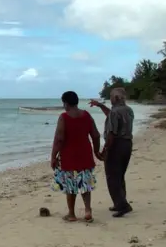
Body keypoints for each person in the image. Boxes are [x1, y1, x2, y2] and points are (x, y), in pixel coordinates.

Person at [50, 91, 103, 222]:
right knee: (85, 184)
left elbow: (59, 139)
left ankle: (71, 214)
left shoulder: (64, 117)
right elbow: (95, 135)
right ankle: (87, 210)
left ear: (66, 103)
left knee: (70, 186)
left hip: (69, 156)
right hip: (85, 154)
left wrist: (53, 156)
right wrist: (96, 151)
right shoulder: (86, 115)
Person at [89, 88, 135, 217]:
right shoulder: (128, 110)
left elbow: (111, 134)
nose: (110, 99)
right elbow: (111, 116)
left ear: (116, 98)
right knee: (119, 175)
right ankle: (120, 202)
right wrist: (100, 106)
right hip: (127, 144)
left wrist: (104, 151)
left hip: (116, 145)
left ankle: (122, 205)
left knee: (112, 177)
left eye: (111, 96)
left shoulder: (115, 112)